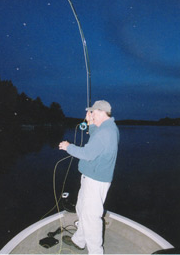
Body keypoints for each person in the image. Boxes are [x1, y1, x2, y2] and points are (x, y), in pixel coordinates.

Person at [59, 100, 119, 254]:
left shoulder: (105, 132)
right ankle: (79, 241)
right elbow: (96, 139)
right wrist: (91, 124)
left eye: (92, 112)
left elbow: (87, 154)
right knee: (81, 209)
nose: (90, 115)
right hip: (91, 177)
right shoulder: (108, 128)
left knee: (91, 218)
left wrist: (68, 147)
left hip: (96, 180)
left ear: (100, 111)